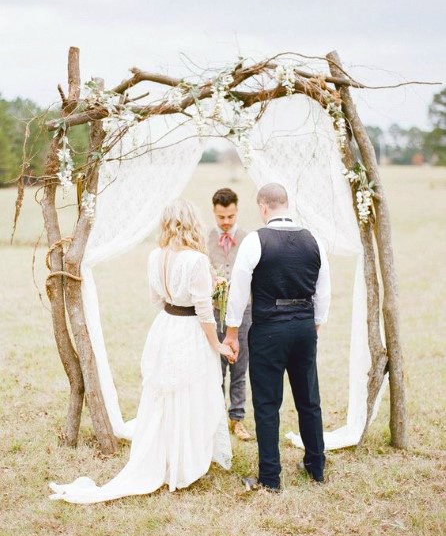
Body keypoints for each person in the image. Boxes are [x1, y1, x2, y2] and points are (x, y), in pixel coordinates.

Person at [49, 199, 233, 504]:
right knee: (190, 392)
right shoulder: (196, 261)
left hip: (165, 327)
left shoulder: (154, 256)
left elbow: (155, 300)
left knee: (164, 394)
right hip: (189, 331)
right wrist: (217, 344)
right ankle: (184, 464)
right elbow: (203, 310)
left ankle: (168, 457)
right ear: (192, 224)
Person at [224, 183, 331, 491]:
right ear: (286, 204)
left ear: (263, 207)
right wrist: (315, 325)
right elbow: (323, 290)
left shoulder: (255, 240)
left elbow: (238, 290)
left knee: (268, 403)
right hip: (303, 328)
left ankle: (270, 477)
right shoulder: (314, 241)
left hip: (269, 329)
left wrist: (232, 332)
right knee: (309, 399)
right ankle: (316, 467)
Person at [208, 188, 253, 442]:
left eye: (231, 217)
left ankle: (237, 418)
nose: (226, 222)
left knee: (239, 366)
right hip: (213, 314)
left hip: (244, 313)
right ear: (214, 212)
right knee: (216, 368)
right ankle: (215, 419)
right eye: (221, 217)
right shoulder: (205, 239)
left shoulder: (249, 239)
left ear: (237, 211)